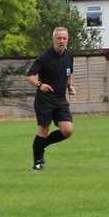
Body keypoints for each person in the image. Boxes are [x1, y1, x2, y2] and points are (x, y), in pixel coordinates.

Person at [26, 26, 76, 171]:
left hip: (60, 100)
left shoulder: (69, 55)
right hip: (45, 100)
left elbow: (70, 72)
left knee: (67, 130)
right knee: (43, 130)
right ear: (53, 39)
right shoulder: (45, 57)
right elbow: (29, 76)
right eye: (59, 38)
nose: (61, 41)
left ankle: (42, 145)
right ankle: (36, 164)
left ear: (67, 40)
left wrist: (70, 86)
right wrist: (40, 84)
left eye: (64, 38)